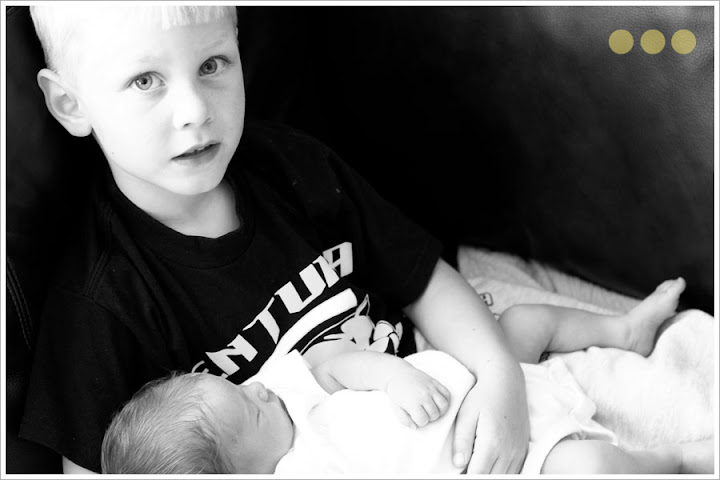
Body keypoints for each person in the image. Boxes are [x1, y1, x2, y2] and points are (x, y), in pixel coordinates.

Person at [21, 5, 529, 474]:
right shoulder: (100, 304)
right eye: (145, 81)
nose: (194, 110)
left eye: (212, 65)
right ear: (70, 104)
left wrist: (500, 377)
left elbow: (422, 280)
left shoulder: (291, 166)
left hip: (437, 400)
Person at [100, 277, 713, 475]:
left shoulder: (285, 389)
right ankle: (679, 460)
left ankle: (624, 331)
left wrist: (392, 377)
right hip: (503, 457)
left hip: (481, 376)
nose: (257, 388)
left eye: (238, 384)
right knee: (595, 471)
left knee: (525, 321)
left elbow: (333, 360)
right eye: (250, 410)